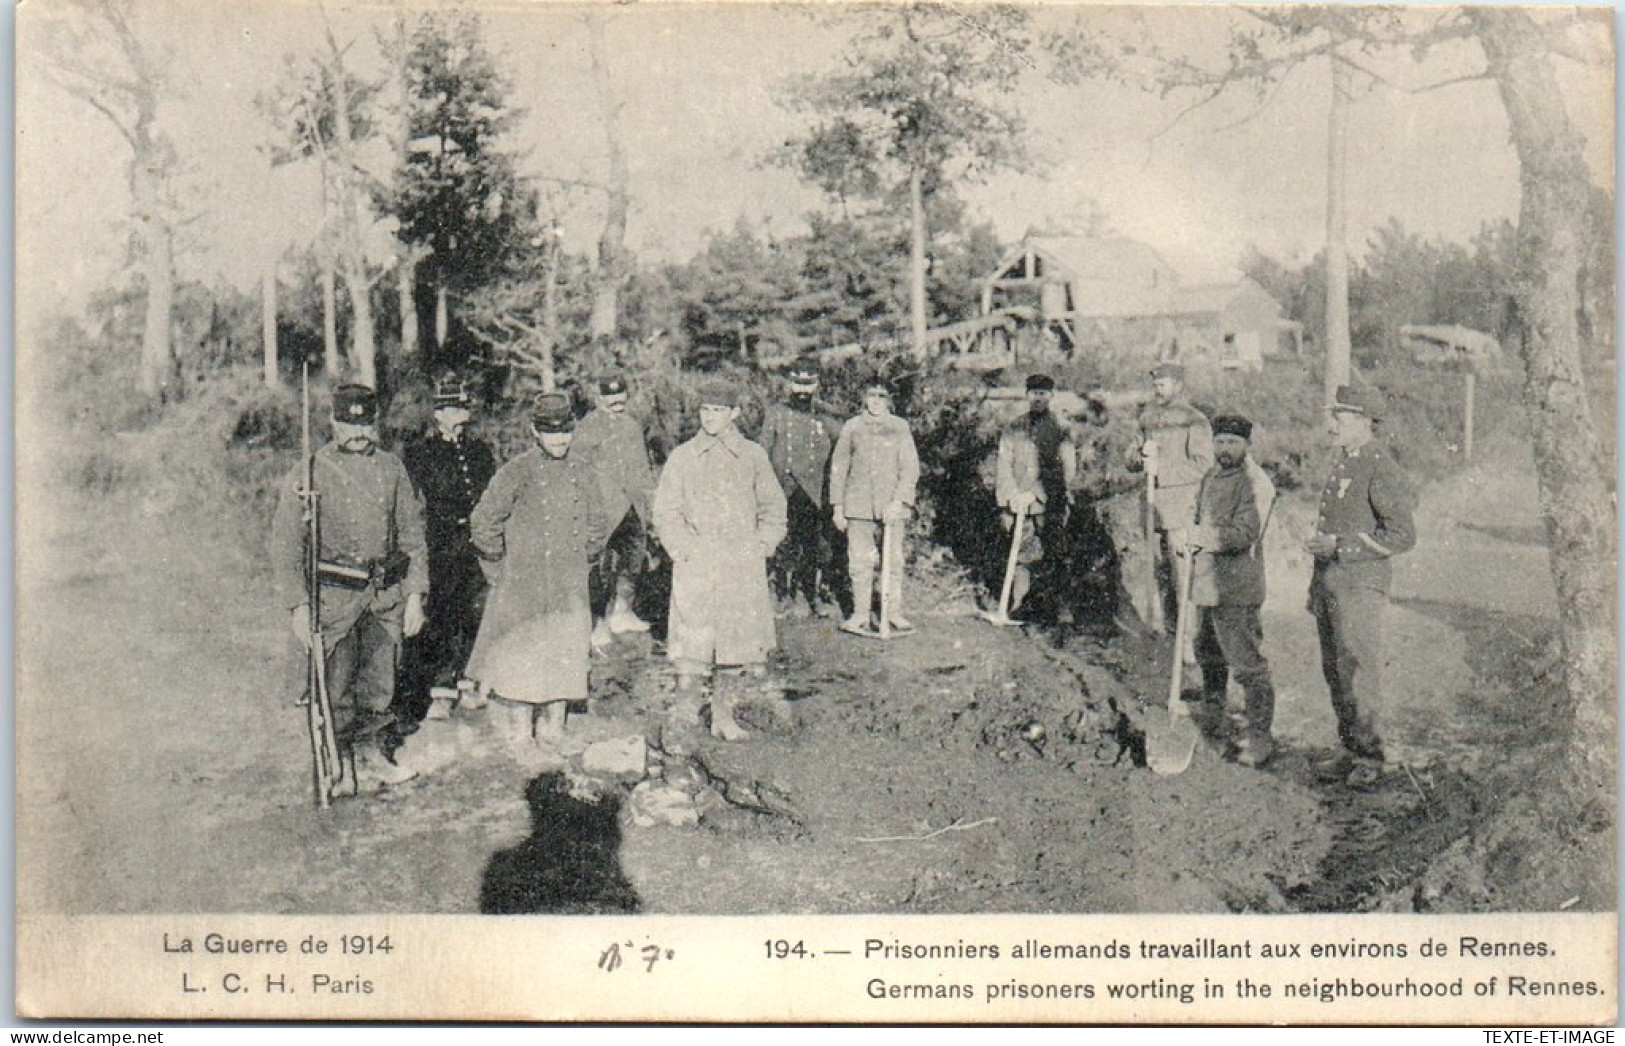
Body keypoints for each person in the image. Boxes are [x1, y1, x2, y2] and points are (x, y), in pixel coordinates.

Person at [270, 384, 428, 792]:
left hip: (383, 598)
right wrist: (299, 607)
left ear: (375, 424)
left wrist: (414, 597)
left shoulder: (392, 468)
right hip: (334, 601)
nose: (358, 432)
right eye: (348, 424)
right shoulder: (308, 473)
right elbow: (286, 546)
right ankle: (339, 764)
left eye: (365, 424)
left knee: (380, 684)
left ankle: (373, 756)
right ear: (333, 423)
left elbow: (413, 536)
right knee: (335, 688)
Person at [466, 393, 609, 752]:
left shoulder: (583, 471)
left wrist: (584, 561)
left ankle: (554, 730)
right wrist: (500, 567)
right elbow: (483, 522)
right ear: (534, 431)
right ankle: (519, 734)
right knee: (523, 659)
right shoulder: (517, 471)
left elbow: (597, 523)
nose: (559, 440)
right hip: (524, 584)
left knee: (566, 652)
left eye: (565, 432)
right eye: (550, 432)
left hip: (569, 583)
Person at [652, 379, 787, 740]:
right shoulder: (682, 457)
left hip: (739, 564)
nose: (710, 418)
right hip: (697, 563)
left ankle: (723, 717)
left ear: (734, 414)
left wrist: (762, 545)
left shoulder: (753, 456)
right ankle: (684, 716)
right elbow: (666, 511)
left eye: (718, 411)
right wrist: (680, 549)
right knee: (692, 645)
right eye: (705, 410)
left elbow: (774, 507)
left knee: (734, 645)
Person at [1306, 384, 1417, 788]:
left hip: (1360, 584)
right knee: (1335, 669)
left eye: (1341, 418)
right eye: (1335, 417)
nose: (1333, 425)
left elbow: (1402, 534)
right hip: (1332, 582)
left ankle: (1371, 756)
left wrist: (1342, 546)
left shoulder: (1378, 465)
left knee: (1359, 668)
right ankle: (1350, 747)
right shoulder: (1345, 462)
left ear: (1365, 422)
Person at [396, 375, 496, 725]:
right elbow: (409, 505)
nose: (460, 413)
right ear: (438, 414)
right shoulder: (422, 454)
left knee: (475, 613)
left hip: (476, 545)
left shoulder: (480, 453)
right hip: (440, 545)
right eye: (452, 408)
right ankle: (441, 690)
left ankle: (469, 681)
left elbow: (492, 497)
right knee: (441, 615)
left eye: (462, 406)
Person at [1184, 414, 1279, 768]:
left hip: (1237, 587)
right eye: (1220, 442)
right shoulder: (1211, 475)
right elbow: (1197, 517)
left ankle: (1260, 737)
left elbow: (1244, 533)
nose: (1225, 449)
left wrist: (1203, 538)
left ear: (1247, 445)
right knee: (1208, 653)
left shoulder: (1254, 483)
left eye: (1232, 443)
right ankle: (1213, 717)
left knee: (1247, 664)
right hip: (1207, 583)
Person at [829, 379, 920, 636]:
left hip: (891, 506)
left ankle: (893, 613)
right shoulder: (852, 427)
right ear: (864, 398)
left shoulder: (899, 427)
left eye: (882, 396)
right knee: (859, 561)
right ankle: (860, 613)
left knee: (893, 560)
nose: (877, 401)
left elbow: (910, 468)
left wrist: (900, 501)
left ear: (889, 400)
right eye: (872, 396)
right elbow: (839, 468)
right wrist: (837, 506)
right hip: (857, 506)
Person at [1136, 362, 1213, 661]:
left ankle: (1190, 643)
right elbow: (1133, 455)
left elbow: (1203, 463)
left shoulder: (1194, 421)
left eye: (1164, 384)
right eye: (1156, 384)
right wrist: (1139, 457)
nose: (1158, 389)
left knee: (1183, 577)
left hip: (1179, 510)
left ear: (1178, 385)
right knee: (1161, 575)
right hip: (1152, 511)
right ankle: (1170, 636)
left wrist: (1161, 472)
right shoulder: (1147, 419)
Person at [573, 373, 656, 648]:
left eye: (620, 401)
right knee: (599, 567)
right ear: (599, 399)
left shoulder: (632, 426)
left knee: (633, 558)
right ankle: (597, 623)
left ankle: (622, 612)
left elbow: (642, 467)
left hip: (631, 505)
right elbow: (579, 470)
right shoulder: (586, 428)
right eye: (610, 401)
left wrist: (647, 503)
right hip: (602, 508)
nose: (616, 406)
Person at [758, 360, 840, 618]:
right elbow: (762, 454)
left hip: (816, 491)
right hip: (784, 489)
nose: (802, 390)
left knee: (817, 546)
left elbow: (844, 449)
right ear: (788, 383)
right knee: (784, 543)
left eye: (808, 384)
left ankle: (817, 595)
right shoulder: (776, 414)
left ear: (816, 384)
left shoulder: (826, 415)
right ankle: (784, 594)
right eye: (797, 383)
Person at [994, 373, 1078, 622]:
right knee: (1021, 555)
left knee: (1056, 553)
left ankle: (1062, 610)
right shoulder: (1014, 427)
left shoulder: (1061, 428)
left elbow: (1067, 470)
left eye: (1043, 393)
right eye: (1033, 393)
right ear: (1027, 395)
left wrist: (1036, 493)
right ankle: (1019, 605)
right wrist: (1011, 498)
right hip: (1018, 504)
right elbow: (1003, 465)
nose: (1038, 398)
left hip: (1050, 503)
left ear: (1051, 396)